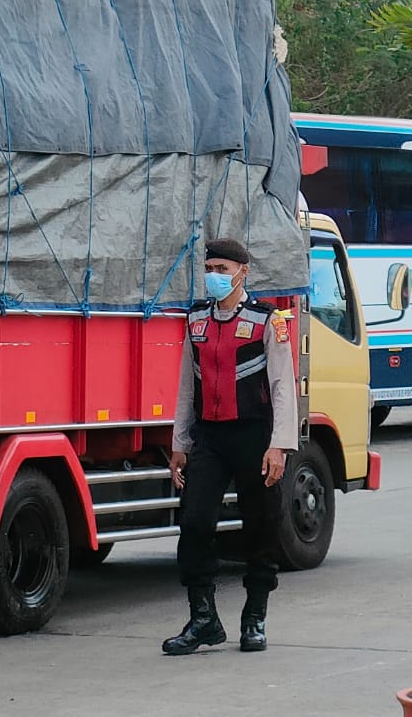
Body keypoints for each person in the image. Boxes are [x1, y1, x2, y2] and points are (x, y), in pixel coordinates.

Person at [164, 239, 297, 655]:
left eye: (222, 268)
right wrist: (180, 443)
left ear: (243, 271)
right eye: (210, 268)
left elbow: (282, 387)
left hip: (255, 437)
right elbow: (188, 387)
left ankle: (255, 615)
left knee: (260, 527)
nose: (214, 276)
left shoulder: (267, 321)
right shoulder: (196, 321)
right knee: (195, 522)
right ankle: (203, 618)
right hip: (210, 438)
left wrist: (279, 446)